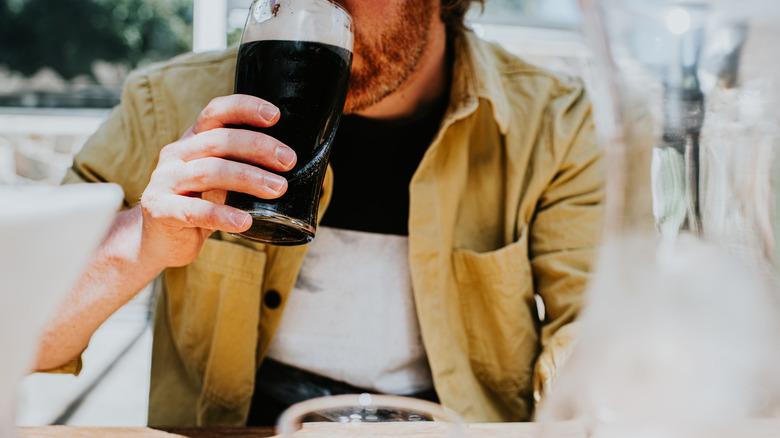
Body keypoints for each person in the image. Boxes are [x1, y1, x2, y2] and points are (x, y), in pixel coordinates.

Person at [35, 0, 604, 427]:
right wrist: (142, 241)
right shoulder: (173, 104)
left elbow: (597, 333)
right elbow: (25, 332)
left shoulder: (551, 124)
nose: (319, 8)